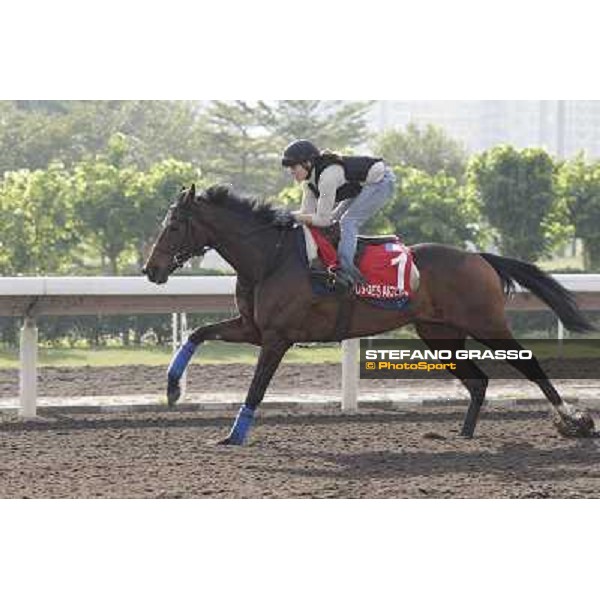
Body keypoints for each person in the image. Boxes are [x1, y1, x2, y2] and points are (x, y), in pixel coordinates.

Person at [281, 139, 396, 287]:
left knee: (348, 221)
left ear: (307, 163)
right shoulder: (309, 183)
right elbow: (306, 214)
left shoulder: (327, 176)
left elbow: (322, 220)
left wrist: (291, 217)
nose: (291, 171)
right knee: (335, 218)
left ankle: (346, 271)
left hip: (380, 182)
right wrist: (282, 217)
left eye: (293, 167)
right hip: (361, 185)